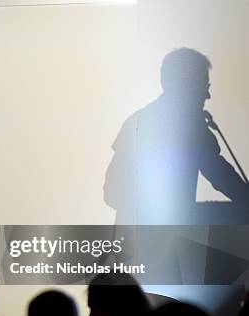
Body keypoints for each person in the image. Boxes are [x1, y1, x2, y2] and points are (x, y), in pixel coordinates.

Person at [103, 48, 249, 224]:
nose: (207, 95)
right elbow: (222, 176)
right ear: (187, 86)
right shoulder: (192, 128)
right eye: (205, 86)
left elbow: (110, 192)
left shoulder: (136, 122)